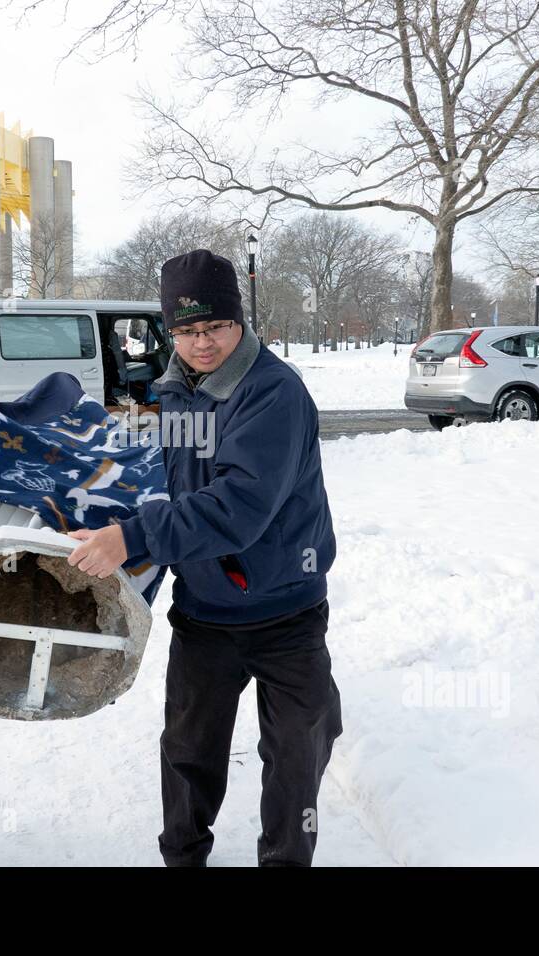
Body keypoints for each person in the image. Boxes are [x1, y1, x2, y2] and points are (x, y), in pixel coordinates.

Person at [67, 248, 343, 866]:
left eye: (214, 326)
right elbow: (172, 485)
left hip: (286, 612)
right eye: (187, 331)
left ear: (239, 321)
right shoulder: (176, 393)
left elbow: (239, 505)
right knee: (189, 752)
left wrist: (134, 538)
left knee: (297, 755)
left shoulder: (274, 393)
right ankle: (183, 859)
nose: (202, 343)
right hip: (205, 614)